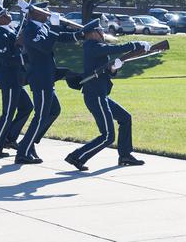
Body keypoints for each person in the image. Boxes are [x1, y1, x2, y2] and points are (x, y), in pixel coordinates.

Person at [64, 19, 151, 171]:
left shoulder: (97, 47)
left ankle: (125, 155)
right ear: (93, 33)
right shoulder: (91, 46)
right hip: (95, 96)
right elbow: (114, 49)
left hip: (100, 94)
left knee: (125, 118)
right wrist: (136, 44)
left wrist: (114, 69)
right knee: (108, 136)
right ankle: (76, 156)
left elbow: (105, 72)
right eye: (101, 31)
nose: (103, 33)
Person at [15, 2, 77, 164]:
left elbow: (59, 37)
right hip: (40, 79)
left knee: (53, 110)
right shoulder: (30, 30)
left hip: (48, 77)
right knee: (41, 115)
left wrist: (80, 34)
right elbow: (44, 45)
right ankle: (23, 152)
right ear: (36, 13)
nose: (48, 13)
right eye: (45, 11)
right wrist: (55, 27)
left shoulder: (41, 27)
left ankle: (29, 142)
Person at [0, 6, 33, 158]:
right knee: (7, 114)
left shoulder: (9, 31)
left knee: (27, 107)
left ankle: (9, 138)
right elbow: (6, 60)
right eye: (4, 13)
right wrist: (24, 58)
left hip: (16, 78)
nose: (8, 14)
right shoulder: (1, 35)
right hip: (10, 79)